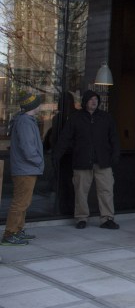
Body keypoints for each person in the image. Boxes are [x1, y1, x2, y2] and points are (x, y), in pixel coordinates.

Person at [53, 90, 120, 230]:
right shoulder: (75, 118)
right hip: (82, 162)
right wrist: (56, 155)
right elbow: (65, 138)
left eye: (96, 99)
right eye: (91, 100)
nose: (94, 102)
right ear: (85, 102)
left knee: (106, 190)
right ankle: (81, 218)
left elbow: (114, 138)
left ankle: (107, 218)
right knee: (81, 191)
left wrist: (115, 155)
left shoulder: (106, 118)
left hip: (103, 162)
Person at [2, 91, 45, 246]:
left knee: (24, 202)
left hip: (27, 168)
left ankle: (18, 230)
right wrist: (39, 161)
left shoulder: (26, 120)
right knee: (20, 202)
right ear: (33, 106)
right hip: (25, 169)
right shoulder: (25, 122)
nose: (40, 105)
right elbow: (28, 148)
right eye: (39, 103)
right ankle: (9, 234)